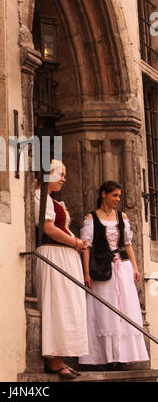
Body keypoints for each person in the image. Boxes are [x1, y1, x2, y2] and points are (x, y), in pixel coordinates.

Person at [79, 181, 149, 368]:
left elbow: (127, 244)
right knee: (104, 311)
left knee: (125, 309)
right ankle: (104, 357)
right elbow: (86, 247)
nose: (118, 199)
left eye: (119, 195)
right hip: (102, 270)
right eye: (114, 195)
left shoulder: (122, 216)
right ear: (104, 194)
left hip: (122, 269)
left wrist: (134, 267)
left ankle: (122, 357)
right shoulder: (91, 217)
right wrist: (86, 273)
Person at [35, 159, 89, 379]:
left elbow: (61, 227)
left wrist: (77, 242)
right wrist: (75, 243)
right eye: (61, 174)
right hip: (54, 255)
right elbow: (48, 228)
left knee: (67, 306)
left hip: (64, 256)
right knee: (57, 304)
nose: (65, 179)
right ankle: (53, 359)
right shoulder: (40, 197)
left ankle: (61, 357)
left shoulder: (52, 200)